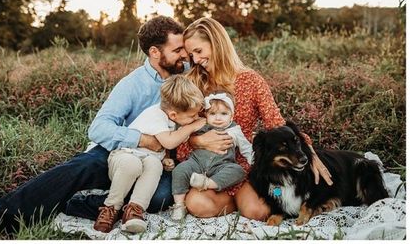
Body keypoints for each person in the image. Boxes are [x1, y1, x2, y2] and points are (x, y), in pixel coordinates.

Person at [0, 16, 229, 232]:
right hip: (120, 151)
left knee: (161, 196)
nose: (185, 56)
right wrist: (143, 140)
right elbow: (98, 129)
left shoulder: (187, 76)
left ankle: (79, 202)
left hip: (162, 159)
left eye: (185, 50)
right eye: (177, 51)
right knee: (79, 167)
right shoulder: (133, 84)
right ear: (154, 52)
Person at [176, 17, 333, 221]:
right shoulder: (192, 84)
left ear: (217, 43)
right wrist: (195, 141)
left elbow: (276, 124)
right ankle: (229, 199)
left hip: (243, 164)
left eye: (198, 51)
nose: (195, 60)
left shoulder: (250, 79)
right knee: (198, 204)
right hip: (207, 166)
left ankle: (241, 199)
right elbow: (180, 138)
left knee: (258, 211)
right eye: (190, 55)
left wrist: (308, 151)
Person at [93, 75, 206, 234]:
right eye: (192, 116)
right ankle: (110, 207)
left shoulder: (173, 118)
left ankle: (134, 210)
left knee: (154, 165)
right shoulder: (155, 114)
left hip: (147, 161)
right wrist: (192, 126)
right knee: (132, 164)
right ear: (173, 114)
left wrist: (166, 157)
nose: (195, 118)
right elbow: (169, 141)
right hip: (123, 158)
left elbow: (162, 145)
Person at [170, 91, 253, 221]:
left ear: (231, 116)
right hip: (196, 162)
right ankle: (179, 205)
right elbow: (185, 135)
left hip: (221, 166)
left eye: (223, 114)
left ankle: (207, 183)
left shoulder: (235, 131)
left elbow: (246, 148)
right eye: (212, 114)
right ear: (206, 115)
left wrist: (254, 160)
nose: (218, 118)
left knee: (238, 170)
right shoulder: (201, 125)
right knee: (179, 170)